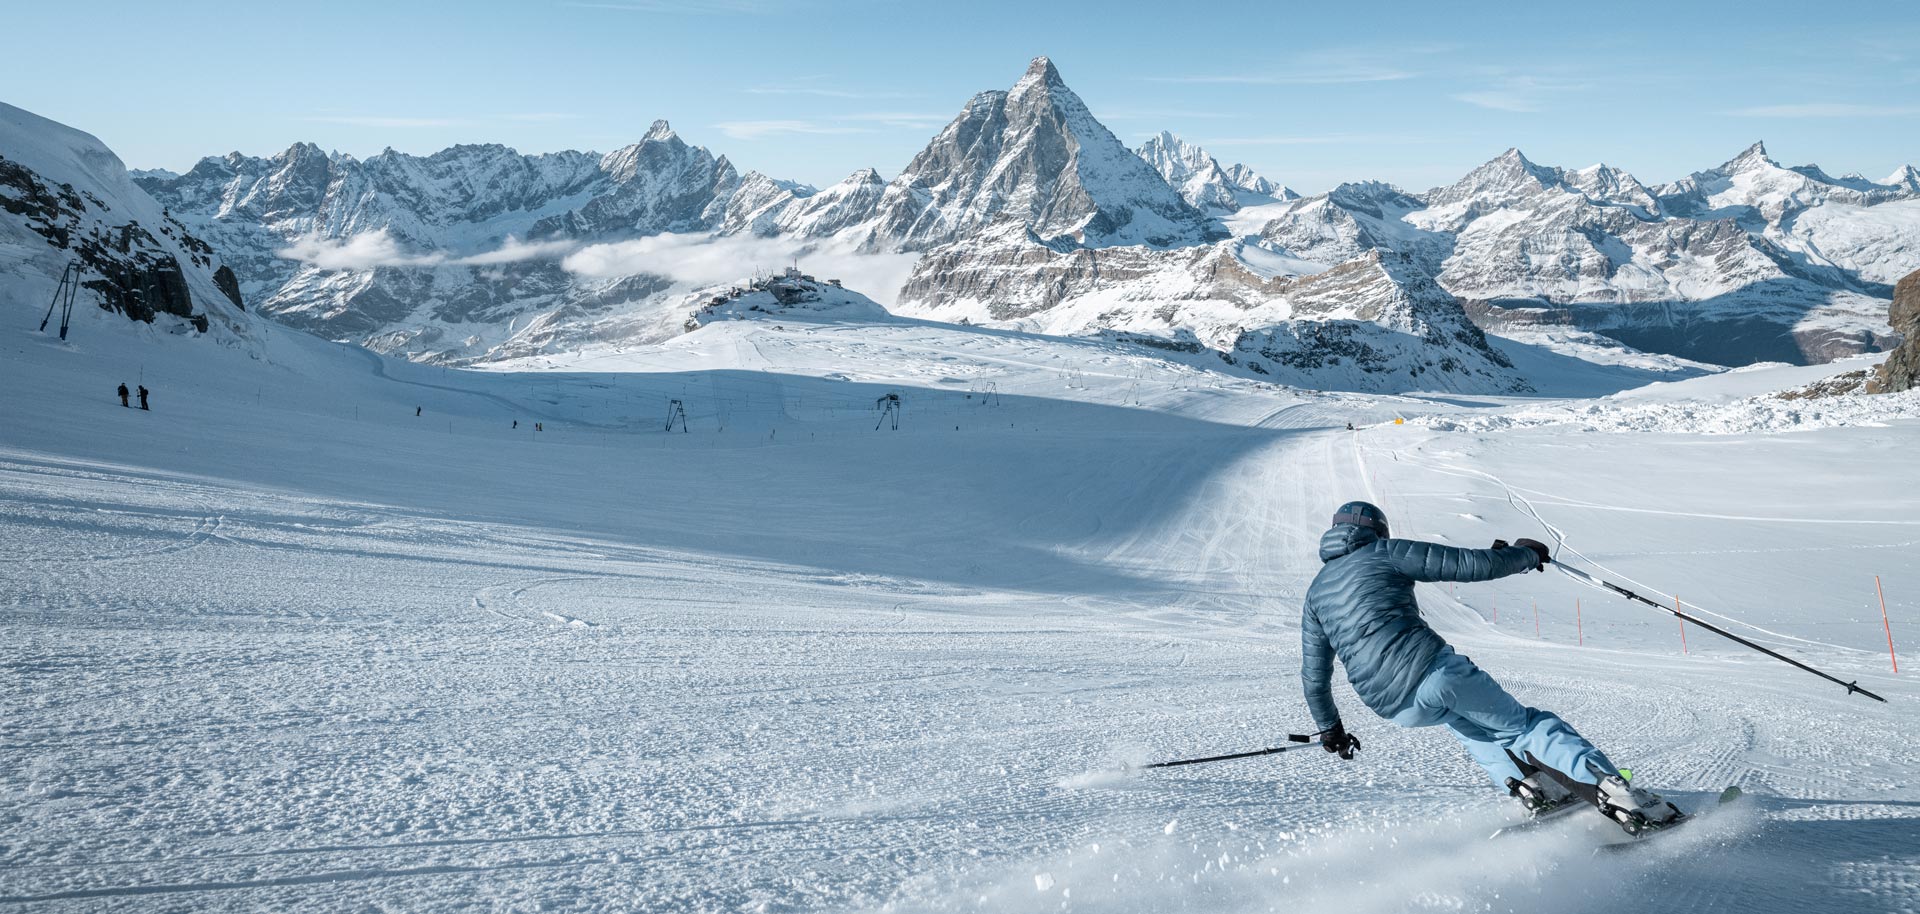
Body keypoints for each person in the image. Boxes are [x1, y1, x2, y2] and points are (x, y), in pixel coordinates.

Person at [1299, 500, 1680, 829]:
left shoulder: (1316, 593)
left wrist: (1330, 729)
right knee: (1524, 727)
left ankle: (1533, 788)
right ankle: (1621, 797)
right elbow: (1471, 565)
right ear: (1378, 532)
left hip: (1395, 707)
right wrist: (1526, 554)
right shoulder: (1383, 552)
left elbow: (1314, 676)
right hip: (1431, 670)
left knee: (1470, 726)